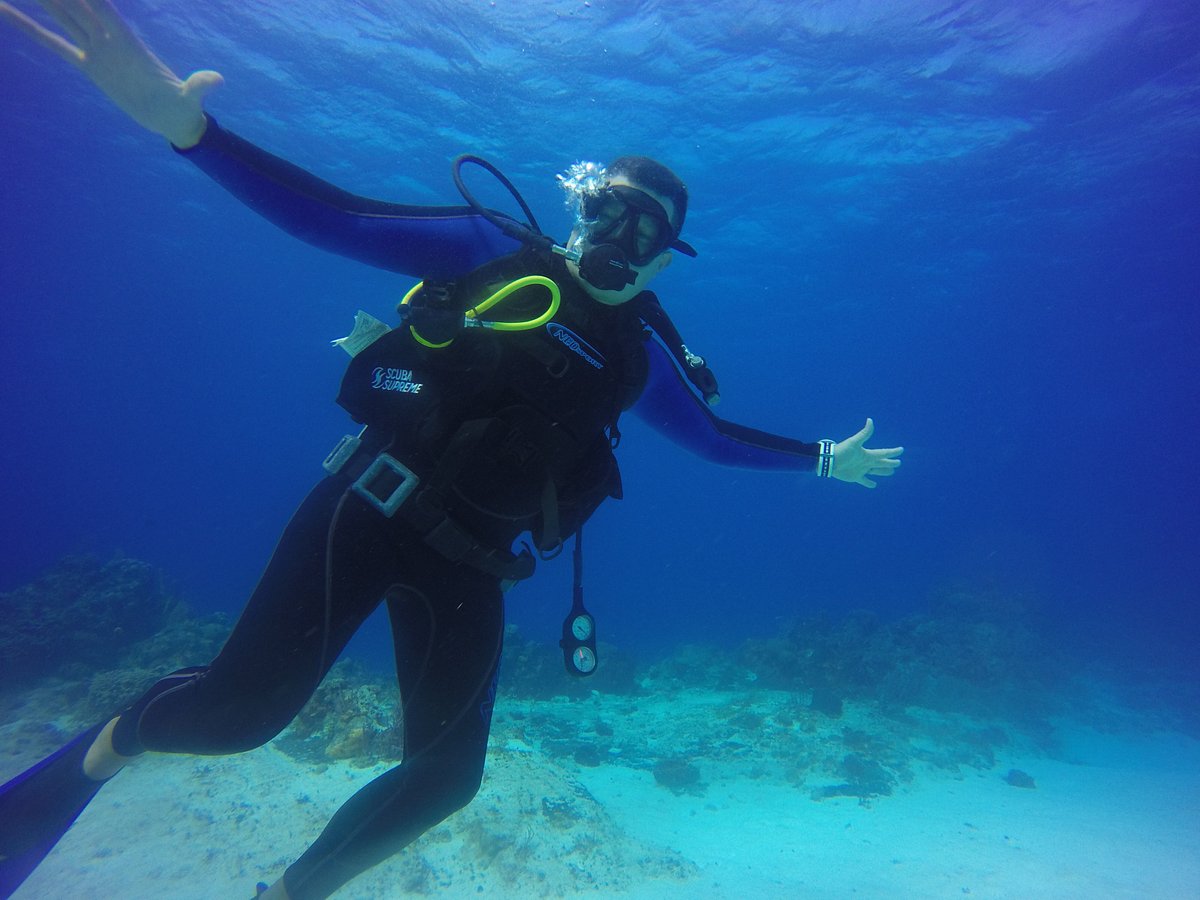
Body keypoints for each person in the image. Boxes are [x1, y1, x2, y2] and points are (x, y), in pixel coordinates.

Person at [0, 1, 904, 898]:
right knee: (238, 715)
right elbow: (336, 219)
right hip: (368, 508)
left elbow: (710, 440)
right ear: (582, 207)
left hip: (473, 566)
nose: (623, 241)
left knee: (446, 778)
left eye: (649, 233)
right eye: (613, 213)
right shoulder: (494, 251)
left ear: (668, 259)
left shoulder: (640, 360)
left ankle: (289, 896)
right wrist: (189, 129)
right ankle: (101, 754)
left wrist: (822, 458)